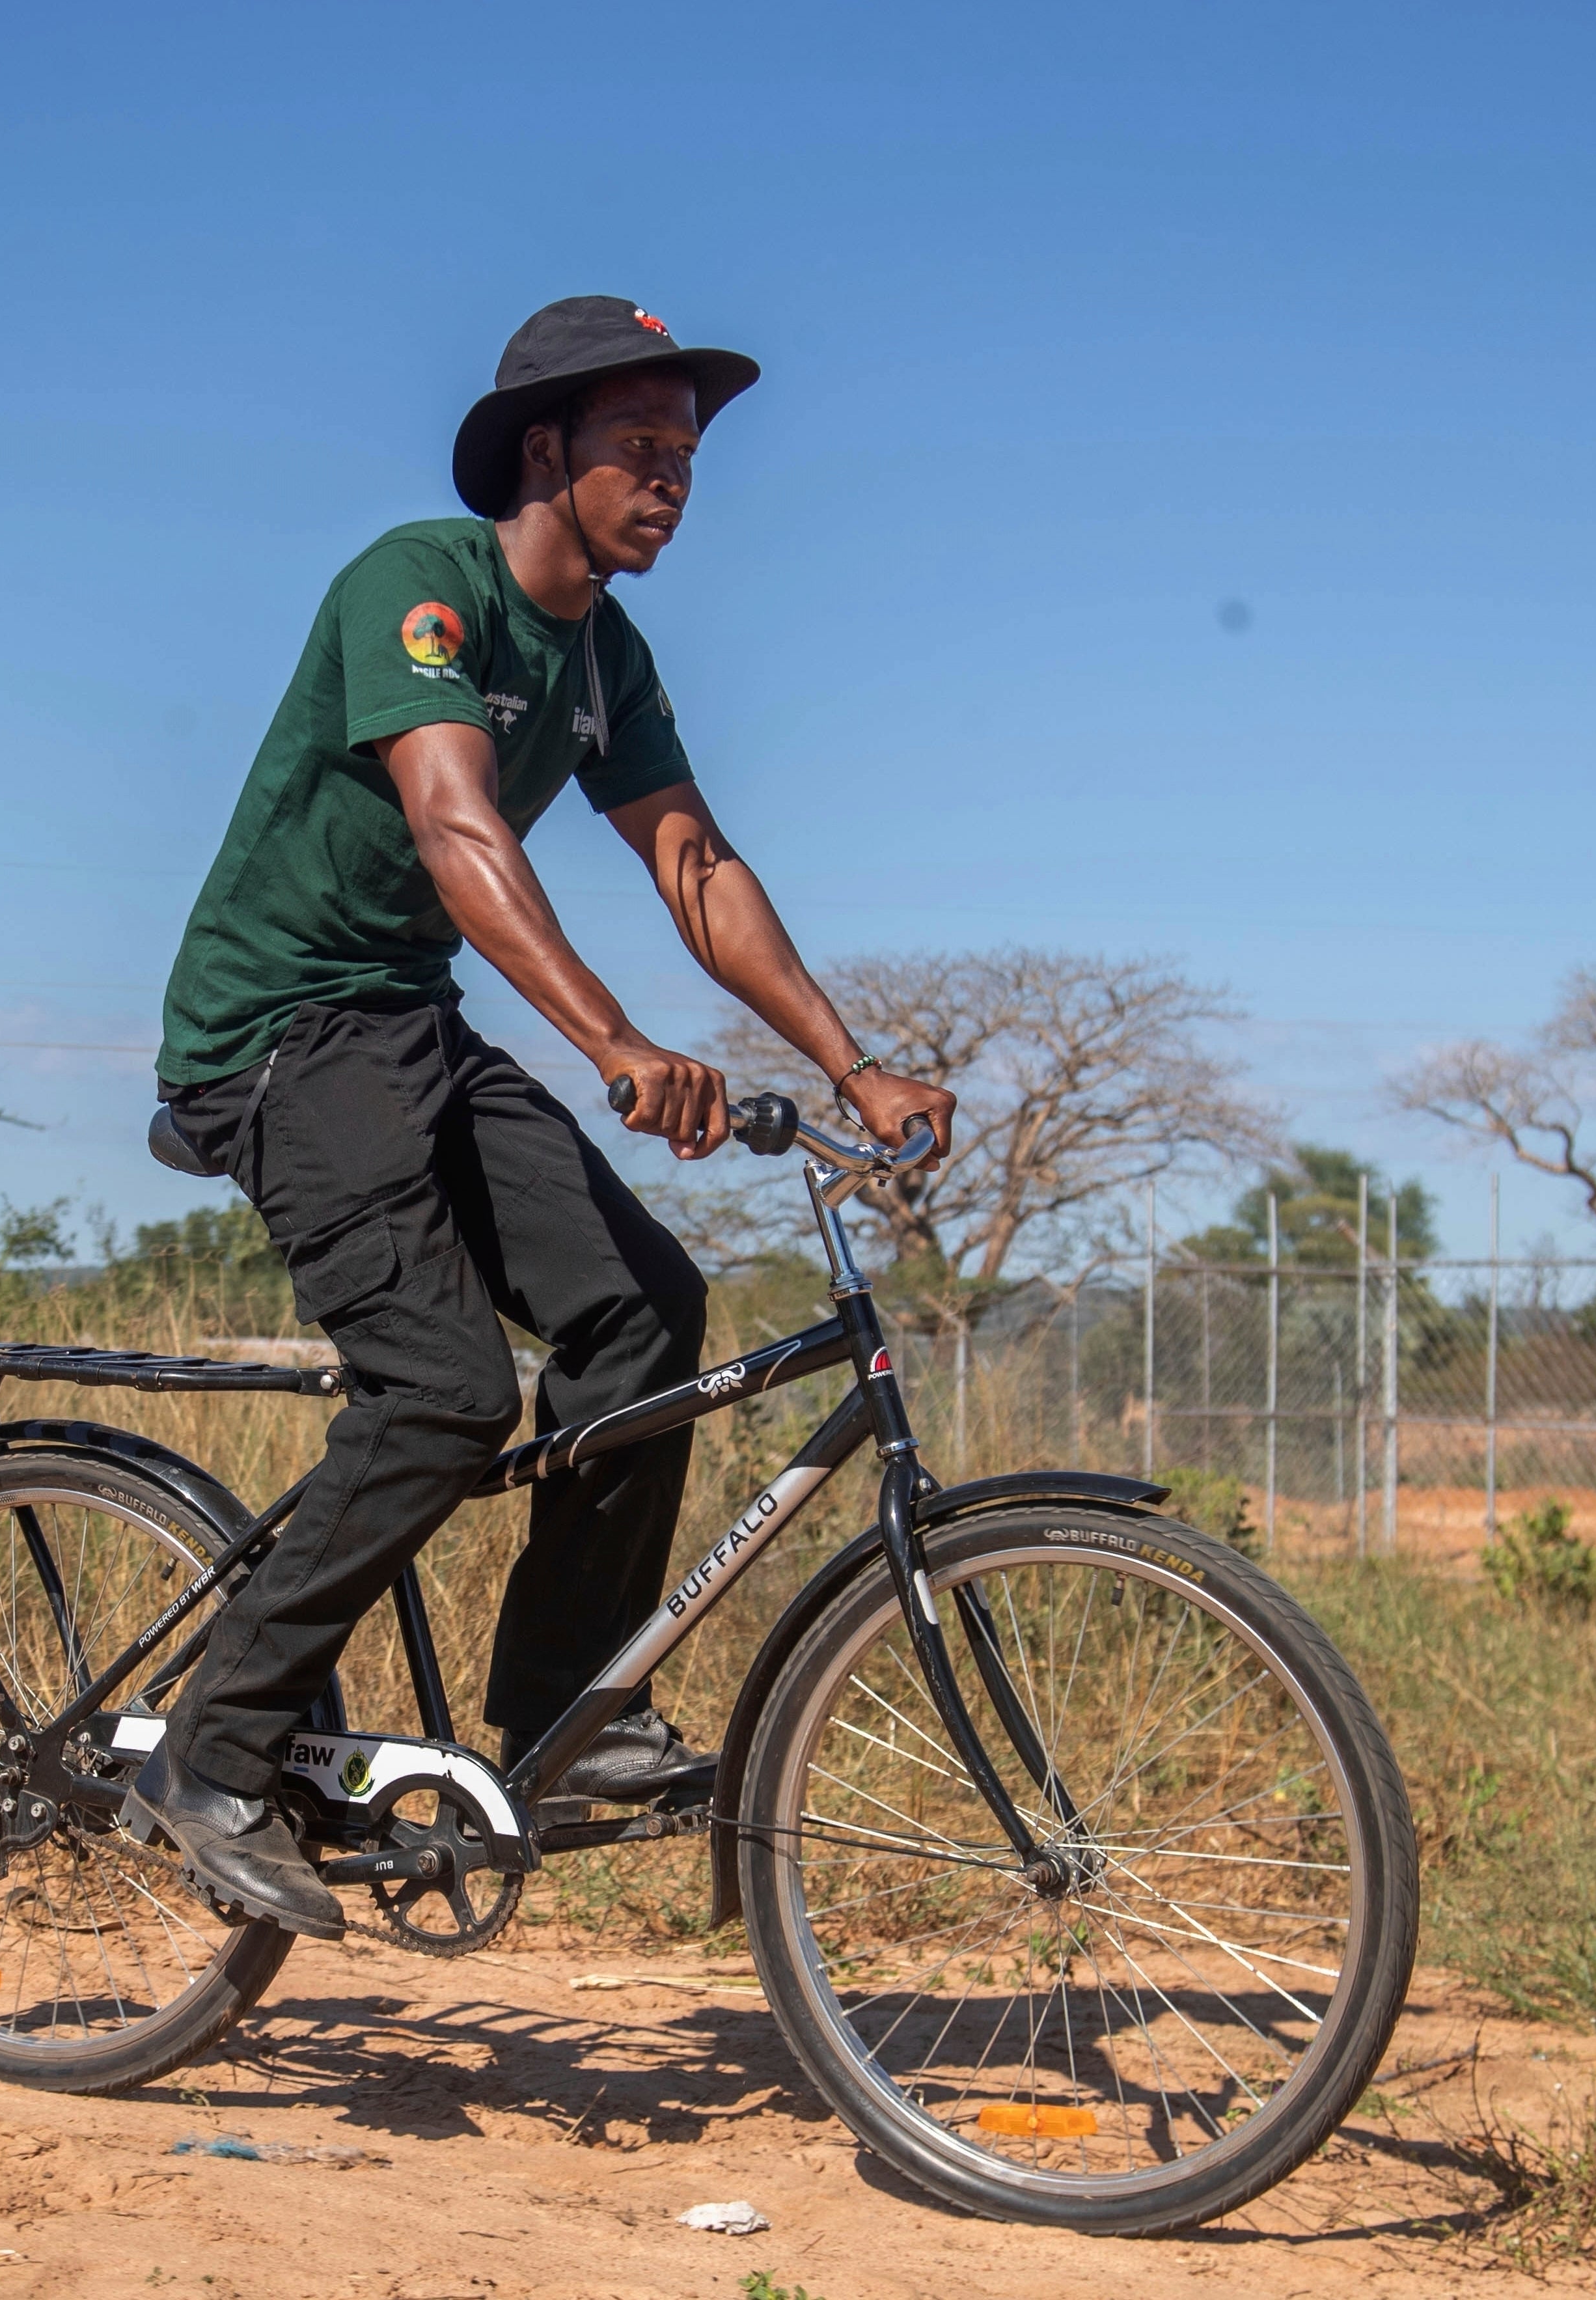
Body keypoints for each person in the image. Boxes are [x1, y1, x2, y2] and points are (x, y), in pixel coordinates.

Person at [129, 295, 957, 1937]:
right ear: (542, 454)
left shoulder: (605, 658)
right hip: (278, 1038)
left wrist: (854, 1061)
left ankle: (564, 1719)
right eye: (641, 450)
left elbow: (693, 863)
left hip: (407, 1027)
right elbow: (454, 826)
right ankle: (209, 1757)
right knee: (443, 1389)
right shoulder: (419, 586)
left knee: (645, 1311)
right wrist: (613, 1041)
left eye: (689, 459)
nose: (671, 482)